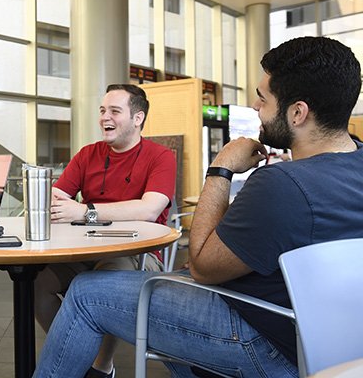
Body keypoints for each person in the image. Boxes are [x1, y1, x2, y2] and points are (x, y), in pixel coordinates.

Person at [32, 36, 363, 378]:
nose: (254, 106)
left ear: (297, 112)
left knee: (87, 294)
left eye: (263, 98)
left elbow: (202, 266)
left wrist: (220, 169)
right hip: (336, 345)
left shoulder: (283, 184)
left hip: (267, 340)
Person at [35, 83, 176, 378]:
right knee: (35, 284)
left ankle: (102, 366)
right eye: (102, 110)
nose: (104, 117)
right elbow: (56, 195)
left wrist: (86, 211)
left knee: (105, 282)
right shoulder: (88, 154)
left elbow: (150, 209)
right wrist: (50, 197)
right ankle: (77, 349)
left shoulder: (162, 156)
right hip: (86, 247)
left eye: (114, 111)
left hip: (138, 252)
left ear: (138, 118)